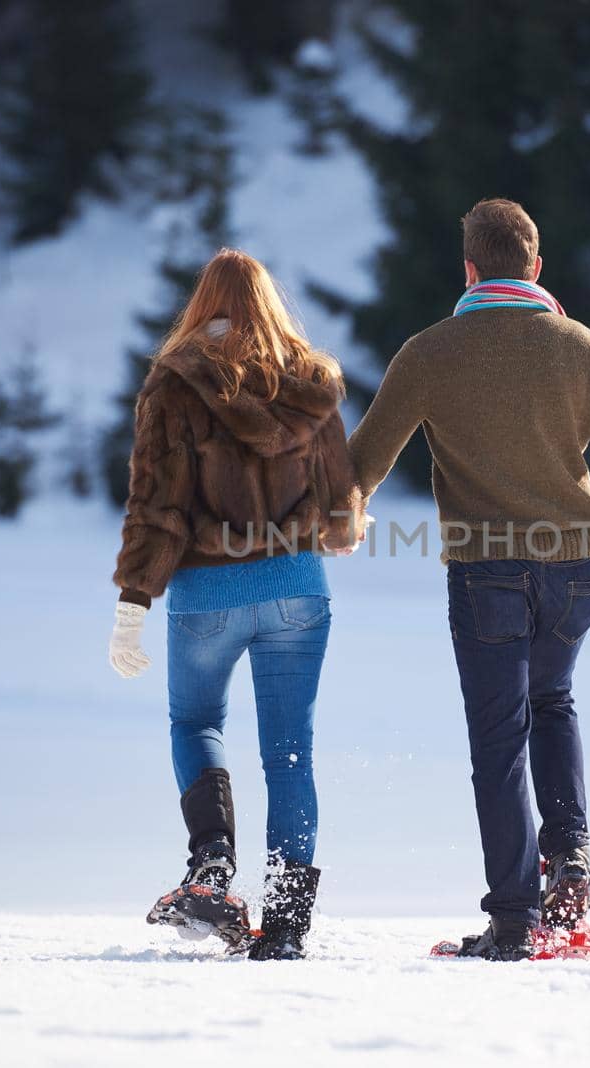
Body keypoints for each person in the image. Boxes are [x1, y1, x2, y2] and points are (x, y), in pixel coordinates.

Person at [347, 198, 590, 961]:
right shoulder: (583, 348)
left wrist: (337, 516)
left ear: (469, 270)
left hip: (486, 572)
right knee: (552, 701)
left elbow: (363, 463)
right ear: (536, 267)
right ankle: (571, 859)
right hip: (576, 573)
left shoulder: (429, 352)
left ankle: (516, 919)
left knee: (500, 739)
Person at [107, 249, 364, 961]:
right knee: (290, 755)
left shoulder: (176, 382)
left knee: (195, 721)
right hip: (297, 592)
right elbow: (342, 506)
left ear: (202, 304)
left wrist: (134, 602)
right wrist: (336, 529)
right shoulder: (309, 381)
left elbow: (155, 505)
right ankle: (285, 927)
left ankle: (213, 866)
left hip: (207, 592)